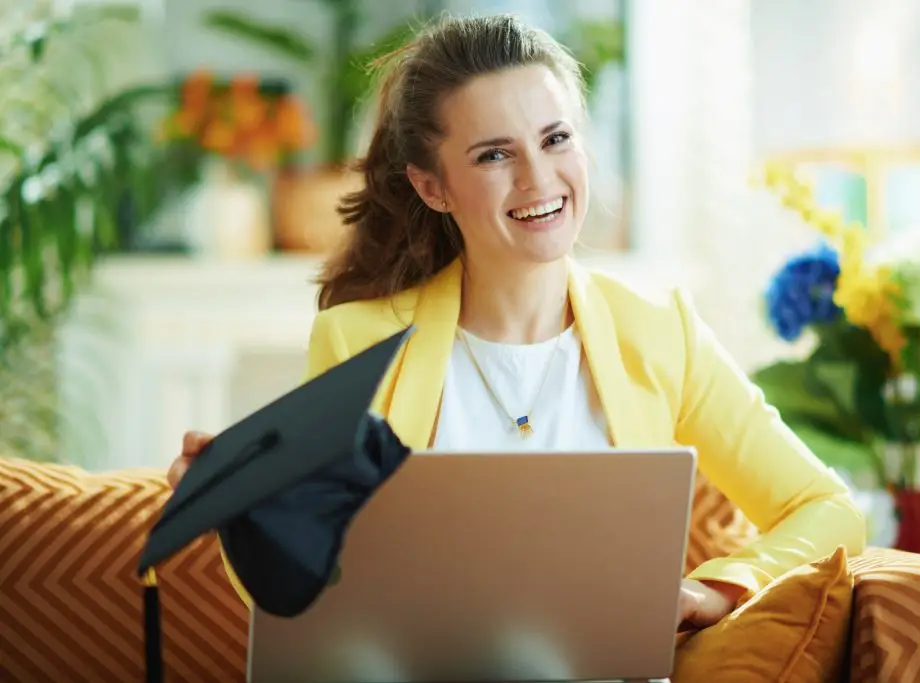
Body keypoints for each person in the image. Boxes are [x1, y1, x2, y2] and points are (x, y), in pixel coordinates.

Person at [168, 13, 866, 633]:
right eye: (495, 154)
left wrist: (712, 589)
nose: (539, 180)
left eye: (556, 138)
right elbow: (304, 592)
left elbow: (828, 508)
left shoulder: (660, 333)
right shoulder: (361, 342)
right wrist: (248, 508)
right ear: (431, 185)